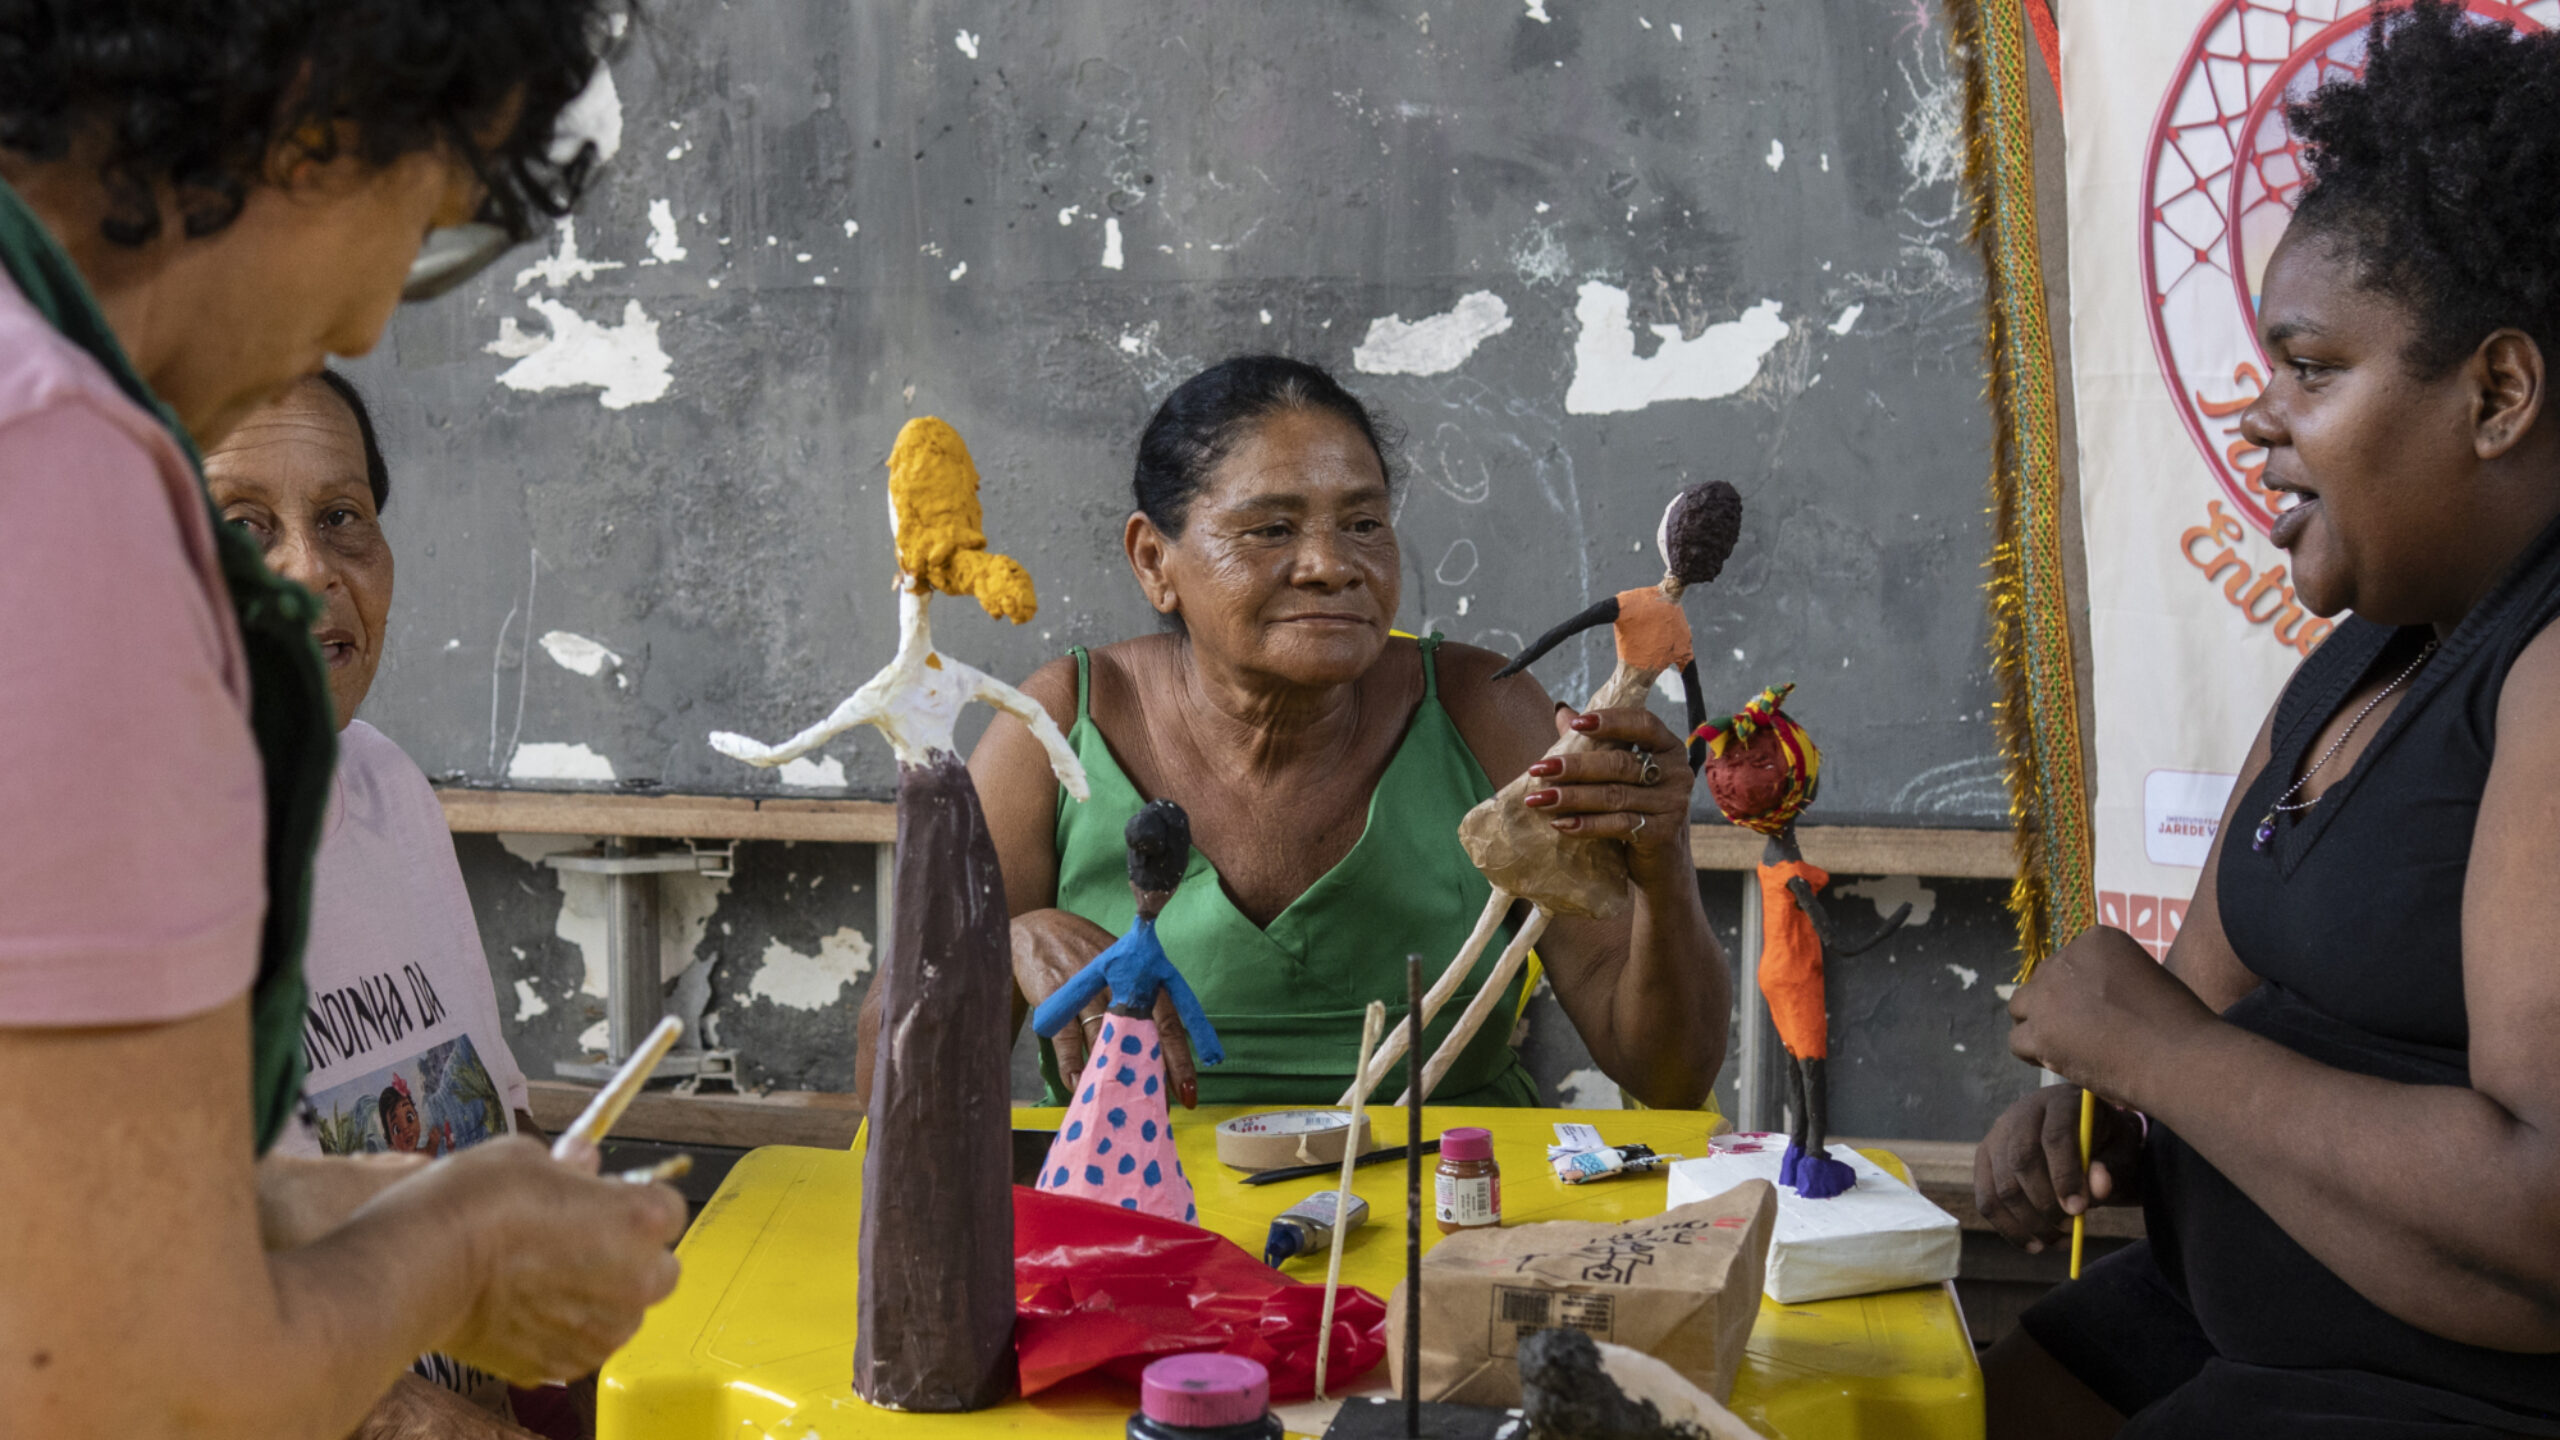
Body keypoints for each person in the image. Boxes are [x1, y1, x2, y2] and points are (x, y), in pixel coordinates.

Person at [0, 5, 684, 1437]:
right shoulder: (57, 475)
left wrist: (390, 1202)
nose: (372, 320)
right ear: (316, 107)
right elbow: (140, 1393)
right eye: (423, 217)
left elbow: (70, 1189)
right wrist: (465, 1248)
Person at [1975, 5, 2560, 1435]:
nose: (2258, 416)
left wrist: (2157, 1059)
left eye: (2310, 369)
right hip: (2218, 1319)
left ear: (2495, 393)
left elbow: (2545, 1211)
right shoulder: (2366, 651)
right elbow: (2192, 1013)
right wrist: (2101, 1106)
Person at [875, 355, 1731, 1112]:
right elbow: (885, 1077)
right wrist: (999, 942)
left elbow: (1667, 1077)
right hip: (1136, 1219)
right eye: (1271, 529)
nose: (1331, 563)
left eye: (1363, 524)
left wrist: (1660, 861)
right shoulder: (1059, 725)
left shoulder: (1481, 709)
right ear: (1152, 561)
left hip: (1440, 1213)